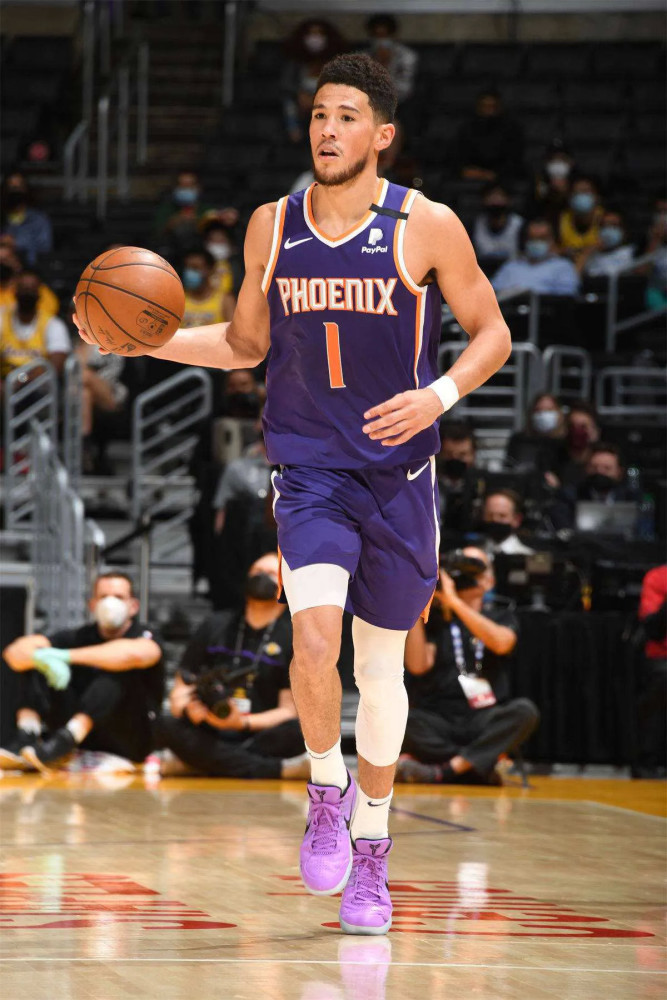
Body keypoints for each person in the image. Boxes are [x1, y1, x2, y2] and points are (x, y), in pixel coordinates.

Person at [74, 53, 511, 936]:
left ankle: (373, 845)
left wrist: (437, 396)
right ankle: (324, 787)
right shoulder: (271, 226)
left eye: (346, 116)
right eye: (318, 114)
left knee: (379, 673)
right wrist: (147, 341)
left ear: (381, 135)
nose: (327, 129)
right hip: (310, 470)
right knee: (314, 638)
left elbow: (492, 332)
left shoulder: (425, 224)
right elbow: (245, 345)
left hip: (400, 477)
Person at [156, 553, 308, 778]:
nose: (262, 577)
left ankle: (201, 763)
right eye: (257, 572)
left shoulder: (294, 636)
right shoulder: (214, 624)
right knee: (166, 724)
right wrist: (191, 710)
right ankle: (277, 770)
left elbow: (288, 710)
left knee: (300, 731)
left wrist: (242, 723)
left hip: (258, 732)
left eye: (270, 573)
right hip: (209, 727)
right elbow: (179, 693)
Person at [397, 547, 538, 785]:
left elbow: (502, 643)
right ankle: (477, 765)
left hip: (482, 717)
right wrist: (416, 604)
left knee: (524, 711)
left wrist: (455, 602)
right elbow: (418, 665)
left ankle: (443, 771)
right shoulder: (435, 620)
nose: (465, 575)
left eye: (474, 568)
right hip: (437, 716)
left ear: (489, 581)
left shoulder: (501, 616)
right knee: (400, 719)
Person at [0, 572, 165, 773]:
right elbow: (14, 653)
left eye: (118, 597)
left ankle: (68, 737)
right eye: (103, 597)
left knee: (117, 667)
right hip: (86, 735)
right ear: (92, 605)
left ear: (134, 606)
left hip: (129, 736)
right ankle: (27, 734)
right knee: (37, 659)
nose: (110, 603)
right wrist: (41, 657)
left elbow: (136, 654)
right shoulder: (79, 636)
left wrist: (64, 656)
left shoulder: (145, 635)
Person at [281, 19, 346, 145]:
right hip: (301, 101)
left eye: (319, 33)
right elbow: (286, 85)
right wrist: (299, 94)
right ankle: (294, 133)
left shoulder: (337, 64)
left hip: (328, 100)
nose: (315, 38)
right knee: (289, 104)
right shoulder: (295, 63)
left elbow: (343, 86)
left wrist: (318, 99)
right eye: (311, 33)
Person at [0, 269, 71, 382]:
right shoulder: (2, 317)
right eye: (24, 288)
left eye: (31, 289)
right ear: (15, 291)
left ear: (39, 293)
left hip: (38, 386)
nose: (27, 293)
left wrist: (19, 382)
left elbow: (56, 366)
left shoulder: (53, 324)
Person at [634, 565, 667, 779]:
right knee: (663, 677)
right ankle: (647, 760)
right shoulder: (658, 578)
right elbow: (653, 628)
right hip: (662, 654)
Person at [492, 218, 580, 297]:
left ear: (552, 240)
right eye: (532, 238)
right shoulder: (511, 266)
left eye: (542, 238)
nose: (536, 242)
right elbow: (492, 293)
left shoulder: (564, 267)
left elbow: (566, 300)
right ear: (525, 240)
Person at [456, 89, 524, 184]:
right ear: (478, 108)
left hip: (503, 179)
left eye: (493, 107)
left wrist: (494, 175)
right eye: (485, 106)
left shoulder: (512, 130)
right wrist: (473, 172)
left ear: (499, 108)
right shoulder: (467, 129)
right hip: (471, 177)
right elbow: (458, 157)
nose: (489, 111)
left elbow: (514, 160)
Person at [505, 392, 565, 487]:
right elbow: (509, 468)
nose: (543, 414)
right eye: (539, 410)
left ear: (558, 413)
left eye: (549, 410)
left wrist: (558, 484)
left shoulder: (565, 443)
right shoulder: (519, 440)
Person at [0, 172, 53, 266]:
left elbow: (45, 247)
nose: (15, 191)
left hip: (28, 267)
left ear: (26, 189)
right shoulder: (2, 216)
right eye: (11, 187)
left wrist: (16, 243)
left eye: (19, 187)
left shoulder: (38, 219)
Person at [471, 182, 524, 273]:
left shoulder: (520, 225)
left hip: (513, 273)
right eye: (491, 196)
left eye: (500, 196)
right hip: (483, 273)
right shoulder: (474, 225)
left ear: (509, 200)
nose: (495, 201)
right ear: (483, 200)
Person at [0, 242, 59, 317]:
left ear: (17, 263)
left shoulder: (34, 289)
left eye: (5, 260)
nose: (1, 264)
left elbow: (46, 317)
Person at [181, 248, 235, 327]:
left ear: (210, 270)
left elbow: (234, 331)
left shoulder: (225, 300)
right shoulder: (179, 299)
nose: (189, 273)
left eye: (195, 268)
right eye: (187, 268)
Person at [558, 175, 604, 267]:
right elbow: (554, 249)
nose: (582, 196)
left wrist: (586, 252)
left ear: (596, 196)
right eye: (577, 193)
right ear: (570, 197)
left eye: (586, 192)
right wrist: (565, 251)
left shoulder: (604, 218)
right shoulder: (561, 218)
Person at [478, 489, 534, 555]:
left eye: (502, 516)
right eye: (490, 515)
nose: (495, 520)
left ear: (517, 519)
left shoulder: (527, 556)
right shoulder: (473, 554)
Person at [583, 208, 635, 278]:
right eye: (604, 226)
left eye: (614, 225)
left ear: (624, 231)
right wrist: (586, 253)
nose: (609, 230)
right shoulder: (590, 255)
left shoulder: (631, 254)